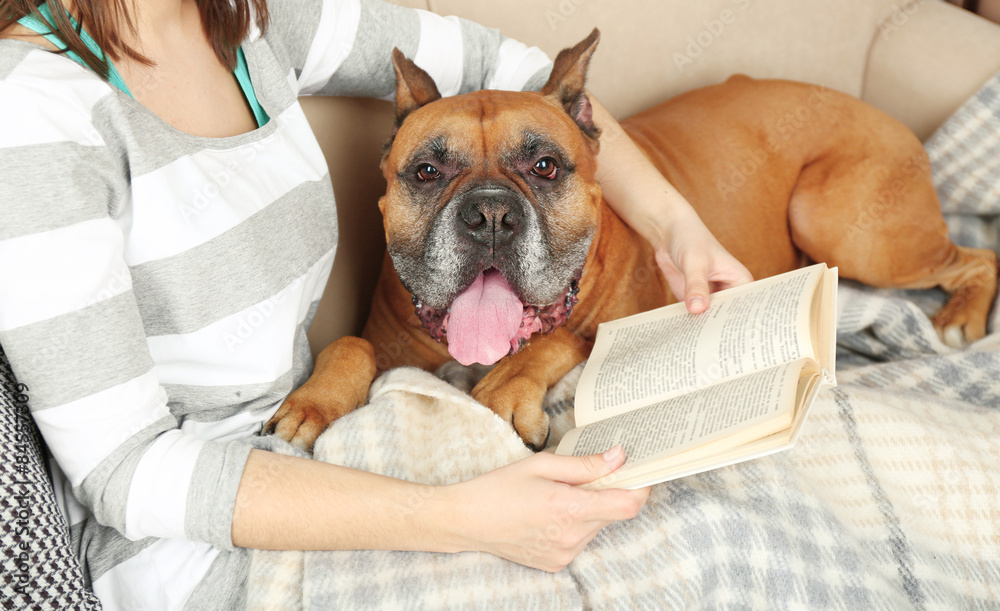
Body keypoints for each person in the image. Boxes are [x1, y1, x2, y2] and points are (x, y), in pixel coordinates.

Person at [0, 0, 753, 608]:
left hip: (328, 442)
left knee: (721, 538)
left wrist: (677, 228)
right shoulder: (30, 111)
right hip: (198, 556)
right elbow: (126, 474)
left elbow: (514, 69)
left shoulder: (252, 21)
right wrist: (458, 520)